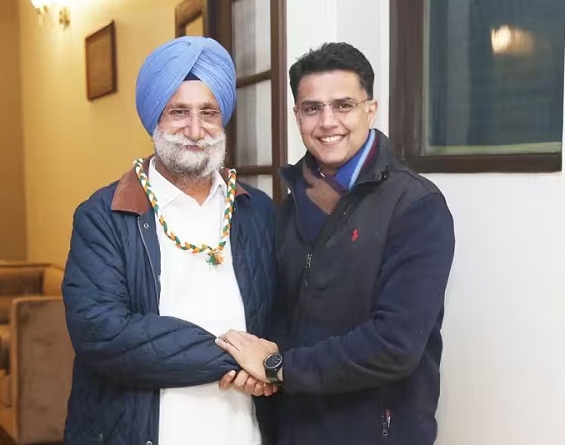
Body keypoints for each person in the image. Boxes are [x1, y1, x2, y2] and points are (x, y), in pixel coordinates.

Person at [216, 42, 456, 444]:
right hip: (295, 428)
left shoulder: (415, 207)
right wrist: (254, 368)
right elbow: (278, 315)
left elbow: (395, 344)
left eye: (343, 105)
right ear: (297, 116)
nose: (327, 122)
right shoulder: (290, 207)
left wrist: (278, 367)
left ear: (370, 110)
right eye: (312, 108)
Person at [61, 36, 276, 445]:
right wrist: (244, 359)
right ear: (154, 118)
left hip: (243, 430)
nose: (195, 130)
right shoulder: (104, 216)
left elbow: (283, 319)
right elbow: (102, 333)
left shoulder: (258, 212)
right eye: (178, 112)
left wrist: (276, 365)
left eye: (208, 113)